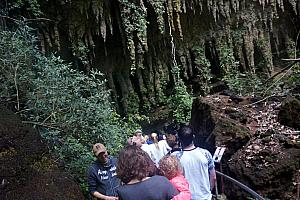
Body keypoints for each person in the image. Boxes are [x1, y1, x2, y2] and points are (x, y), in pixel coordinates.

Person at [171, 126, 216, 200]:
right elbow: (213, 177)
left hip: (187, 197)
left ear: (179, 139)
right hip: (205, 197)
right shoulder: (205, 153)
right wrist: (209, 191)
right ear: (193, 137)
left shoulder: (175, 157)